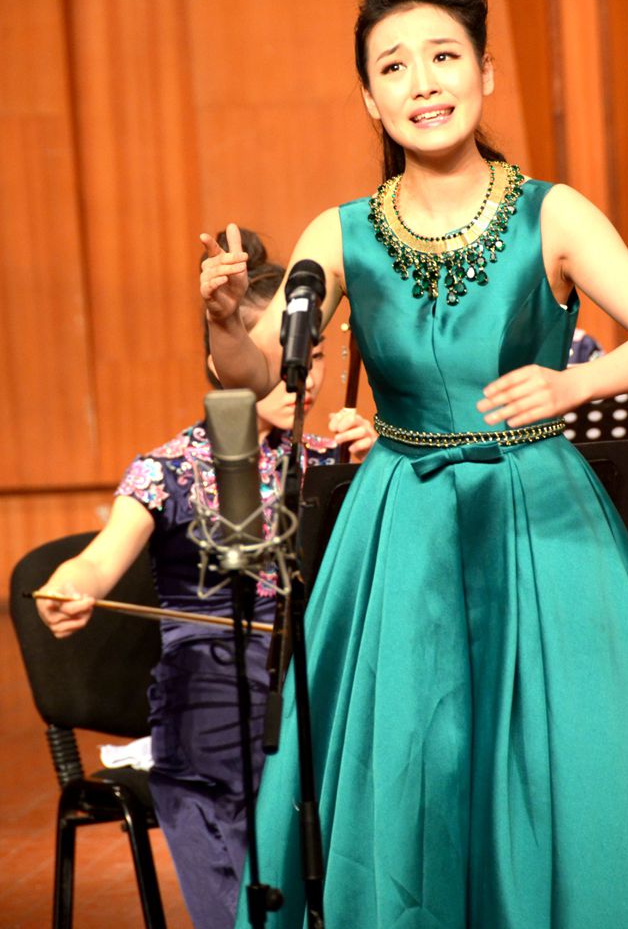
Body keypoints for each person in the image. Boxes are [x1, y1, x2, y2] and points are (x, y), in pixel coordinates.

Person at [201, 0, 628, 928]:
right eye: (394, 67)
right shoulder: (341, 231)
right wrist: (221, 325)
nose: (423, 83)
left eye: (445, 57)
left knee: (563, 753)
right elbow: (267, 374)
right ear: (369, 99)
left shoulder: (552, 212)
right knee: (411, 753)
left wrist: (575, 383)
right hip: (399, 519)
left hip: (538, 511)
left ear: (486, 73)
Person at [36, 228, 376, 929]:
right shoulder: (165, 469)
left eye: (312, 356)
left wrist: (380, 473)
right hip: (212, 709)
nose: (303, 377)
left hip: (314, 696)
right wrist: (73, 586)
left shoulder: (335, 462)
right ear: (223, 360)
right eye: (270, 354)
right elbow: (99, 559)